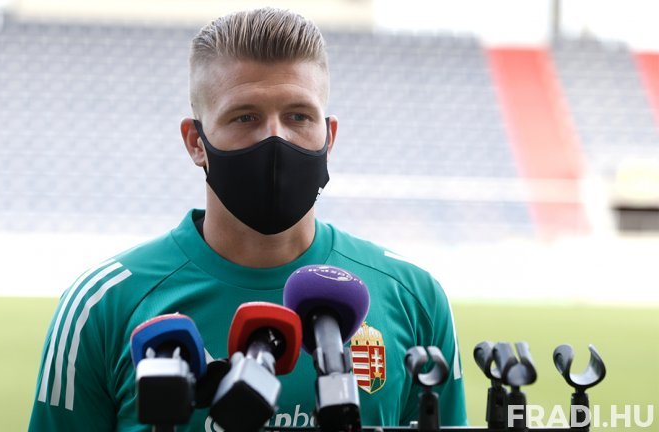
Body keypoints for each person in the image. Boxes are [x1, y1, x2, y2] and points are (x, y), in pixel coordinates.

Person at [29, 7, 467, 431]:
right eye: (245, 117)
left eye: (299, 116)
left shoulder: (414, 297)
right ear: (195, 142)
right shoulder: (103, 305)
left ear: (329, 137)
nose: (275, 137)